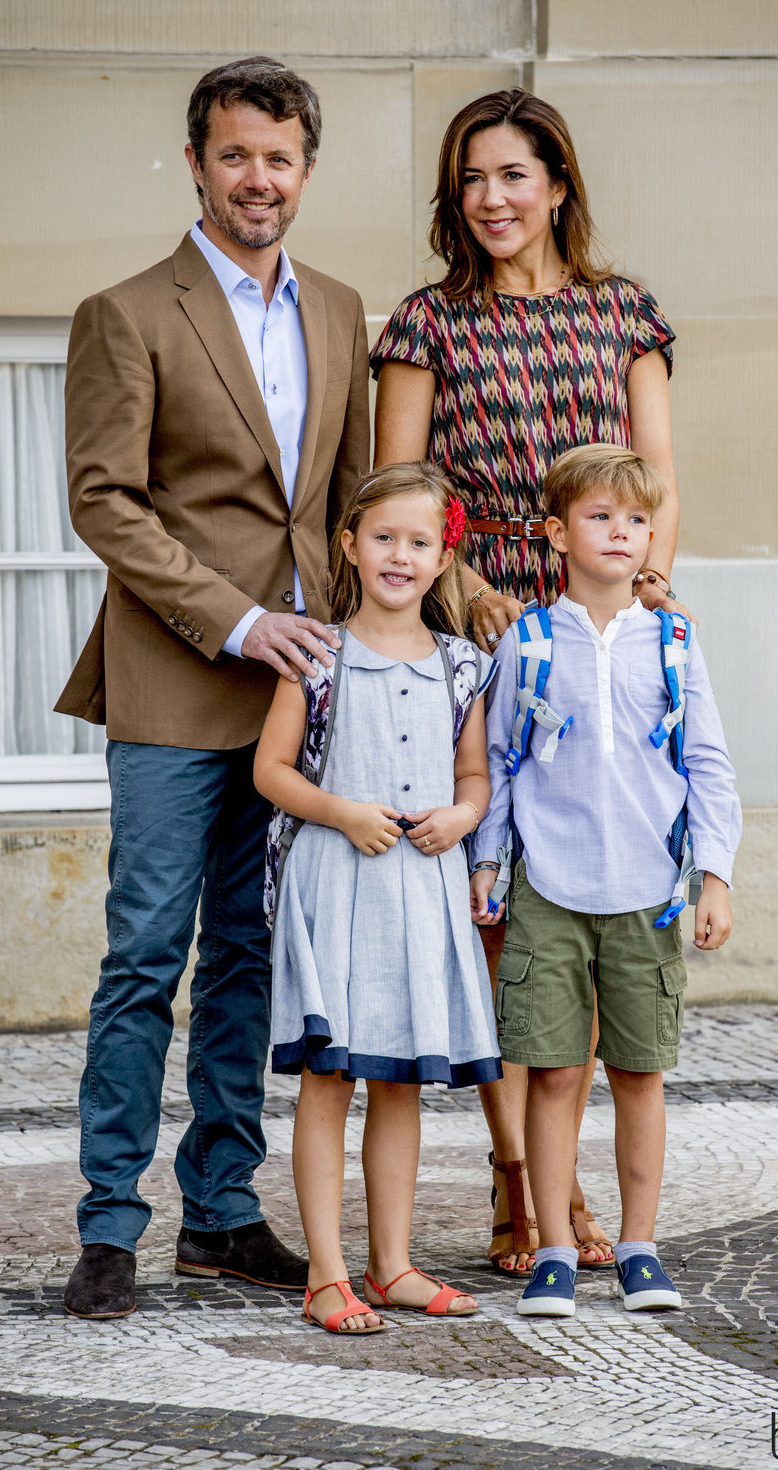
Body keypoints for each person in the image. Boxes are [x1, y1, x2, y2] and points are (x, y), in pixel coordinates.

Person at [55, 56, 370, 1319]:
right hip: (177, 687)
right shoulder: (126, 312)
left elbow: (351, 503)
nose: (259, 178)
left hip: (300, 698)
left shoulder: (344, 310)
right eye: (236, 155)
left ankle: (223, 1215)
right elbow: (104, 503)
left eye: (280, 157)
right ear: (197, 161)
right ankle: (110, 1226)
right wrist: (237, 621)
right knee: (145, 956)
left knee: (248, 958)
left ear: (305, 168)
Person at [371, 86, 686, 1274]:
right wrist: (467, 596)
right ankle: (519, 1185)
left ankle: (564, 1182)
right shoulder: (423, 324)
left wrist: (634, 591)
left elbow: (654, 477)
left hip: (597, 623)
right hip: (471, 624)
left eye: (513, 175)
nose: (491, 199)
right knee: (504, 924)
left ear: (557, 183)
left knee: (599, 899)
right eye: (470, 179)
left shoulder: (624, 313)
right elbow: (398, 494)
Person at [470, 444, 741, 1317]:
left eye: (637, 520)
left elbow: (708, 765)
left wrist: (716, 877)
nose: (622, 533)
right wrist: (488, 862)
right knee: (552, 1074)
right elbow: (502, 764)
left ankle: (638, 1246)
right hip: (550, 890)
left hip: (649, 891)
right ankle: (553, 1245)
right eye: (600, 517)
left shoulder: (674, 641)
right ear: (555, 533)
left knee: (639, 1075)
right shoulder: (529, 640)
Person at [253, 462, 500, 1334]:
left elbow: (476, 773)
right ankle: (327, 1273)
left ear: (443, 558)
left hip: (420, 890)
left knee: (398, 1083)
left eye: (420, 541)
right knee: (330, 1080)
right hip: (337, 881)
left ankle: (391, 1262)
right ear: (350, 546)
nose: (401, 554)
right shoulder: (317, 654)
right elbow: (271, 770)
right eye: (384, 537)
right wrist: (344, 812)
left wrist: (463, 815)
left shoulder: (465, 665)